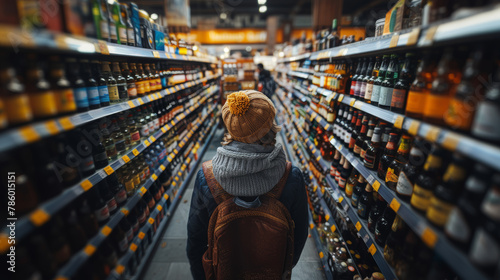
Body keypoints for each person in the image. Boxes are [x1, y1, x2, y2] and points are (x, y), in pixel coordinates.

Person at [187, 90, 308, 280]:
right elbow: (298, 235)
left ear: (230, 127)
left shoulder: (207, 176)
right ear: (270, 125)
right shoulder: (291, 176)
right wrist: (283, 268)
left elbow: (196, 240)